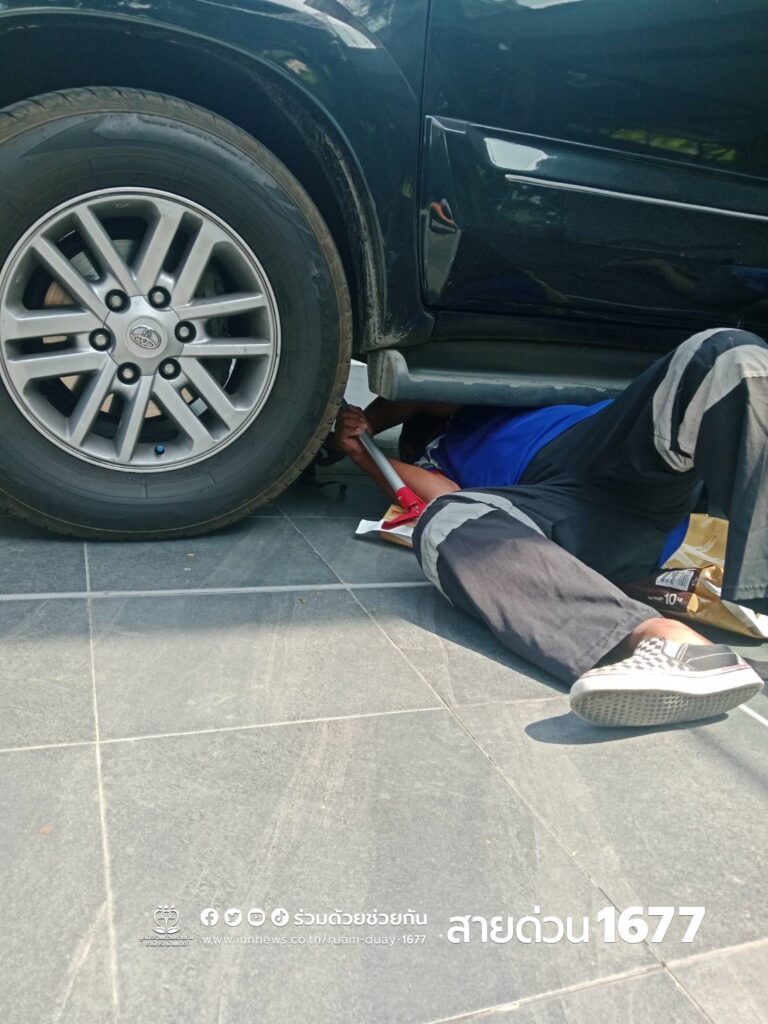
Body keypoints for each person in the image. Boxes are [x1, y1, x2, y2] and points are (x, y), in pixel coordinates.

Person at [333, 328, 767, 729]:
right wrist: (362, 451)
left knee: (726, 355)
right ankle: (673, 645)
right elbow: (441, 494)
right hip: (567, 520)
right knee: (444, 521)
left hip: (606, 454)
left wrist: (368, 421)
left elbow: (414, 397)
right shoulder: (433, 458)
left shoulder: (499, 400)